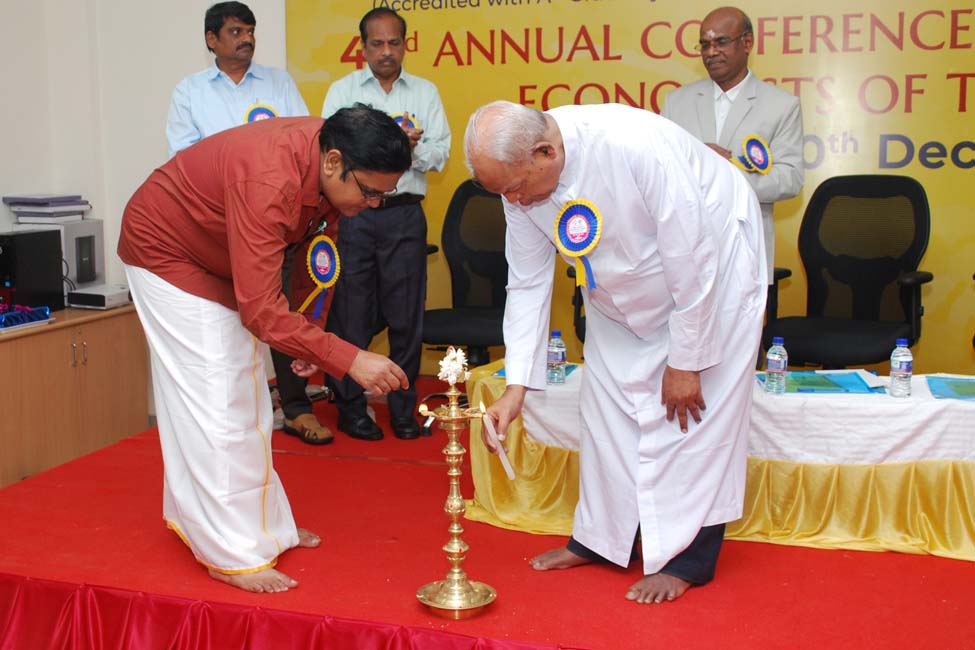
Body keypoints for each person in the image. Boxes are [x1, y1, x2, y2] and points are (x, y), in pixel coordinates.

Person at [466, 100, 766, 604]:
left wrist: (687, 361)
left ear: (545, 152)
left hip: (714, 268)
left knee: (694, 416)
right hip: (616, 284)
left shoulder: (636, 146)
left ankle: (687, 559)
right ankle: (603, 541)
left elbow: (692, 257)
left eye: (515, 187)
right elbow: (528, 281)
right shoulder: (518, 179)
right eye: (502, 192)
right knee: (606, 405)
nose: (513, 201)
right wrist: (516, 388)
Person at [118, 107, 412, 593]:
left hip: (220, 255)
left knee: (248, 395)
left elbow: (315, 252)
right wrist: (347, 358)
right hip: (168, 252)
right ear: (334, 162)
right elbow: (261, 313)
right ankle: (229, 552)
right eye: (370, 192)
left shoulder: (328, 163)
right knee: (217, 399)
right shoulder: (270, 181)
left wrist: (309, 330)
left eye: (386, 194)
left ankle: (264, 528)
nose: (375, 204)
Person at [166, 2, 331, 445]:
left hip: (275, 219)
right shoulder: (190, 92)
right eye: (236, 31)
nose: (247, 39)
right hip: (218, 225)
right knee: (225, 317)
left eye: (250, 31)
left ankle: (296, 407)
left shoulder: (279, 83)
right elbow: (183, 158)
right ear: (211, 39)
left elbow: (308, 140)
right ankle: (231, 412)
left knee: (281, 307)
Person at [321, 7, 450, 442]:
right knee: (351, 314)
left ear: (405, 45)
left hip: (404, 214)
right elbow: (330, 151)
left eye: (394, 42)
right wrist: (389, 146)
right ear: (363, 47)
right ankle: (351, 408)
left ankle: (403, 409)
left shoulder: (426, 93)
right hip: (354, 214)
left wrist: (405, 151)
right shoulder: (342, 91)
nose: (386, 51)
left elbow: (440, 154)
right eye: (376, 43)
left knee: (405, 315)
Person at [661, 6, 803, 286]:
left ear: (747, 42)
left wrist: (728, 169)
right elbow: (661, 171)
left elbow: (791, 178)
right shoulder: (676, 102)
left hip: (745, 251)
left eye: (721, 42)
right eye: (705, 44)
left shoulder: (782, 105)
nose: (711, 52)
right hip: (685, 253)